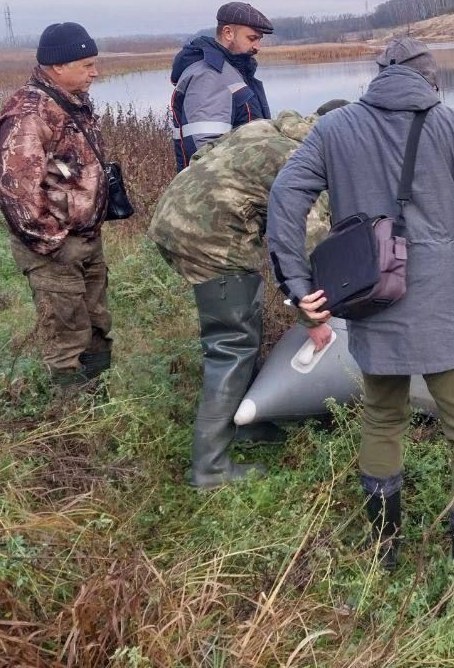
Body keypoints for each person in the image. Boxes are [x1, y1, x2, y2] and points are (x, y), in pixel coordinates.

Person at [267, 38, 454, 626]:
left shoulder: (336, 127)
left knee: (381, 418)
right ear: (431, 80)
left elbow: (284, 197)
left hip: (373, 303)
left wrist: (300, 286)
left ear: (381, 76)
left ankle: (381, 557)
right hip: (448, 309)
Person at [148, 101, 348, 488]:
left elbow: (208, 156)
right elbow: (309, 243)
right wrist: (314, 319)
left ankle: (243, 424)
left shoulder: (270, 129)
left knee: (241, 324)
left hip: (175, 218)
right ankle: (210, 467)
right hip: (210, 237)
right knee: (232, 343)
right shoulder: (309, 161)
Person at [0, 22, 112, 387]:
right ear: (59, 66)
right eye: (87, 64)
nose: (95, 72)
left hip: (85, 239)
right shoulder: (30, 113)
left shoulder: (71, 102)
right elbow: (17, 194)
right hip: (55, 247)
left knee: (97, 328)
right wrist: (55, 245)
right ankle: (72, 425)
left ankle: (99, 404)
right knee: (66, 339)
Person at [170, 1, 274, 170]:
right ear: (228, 33)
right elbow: (206, 150)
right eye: (252, 38)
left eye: (259, 40)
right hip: (221, 191)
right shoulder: (209, 75)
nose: (257, 47)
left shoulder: (232, 70)